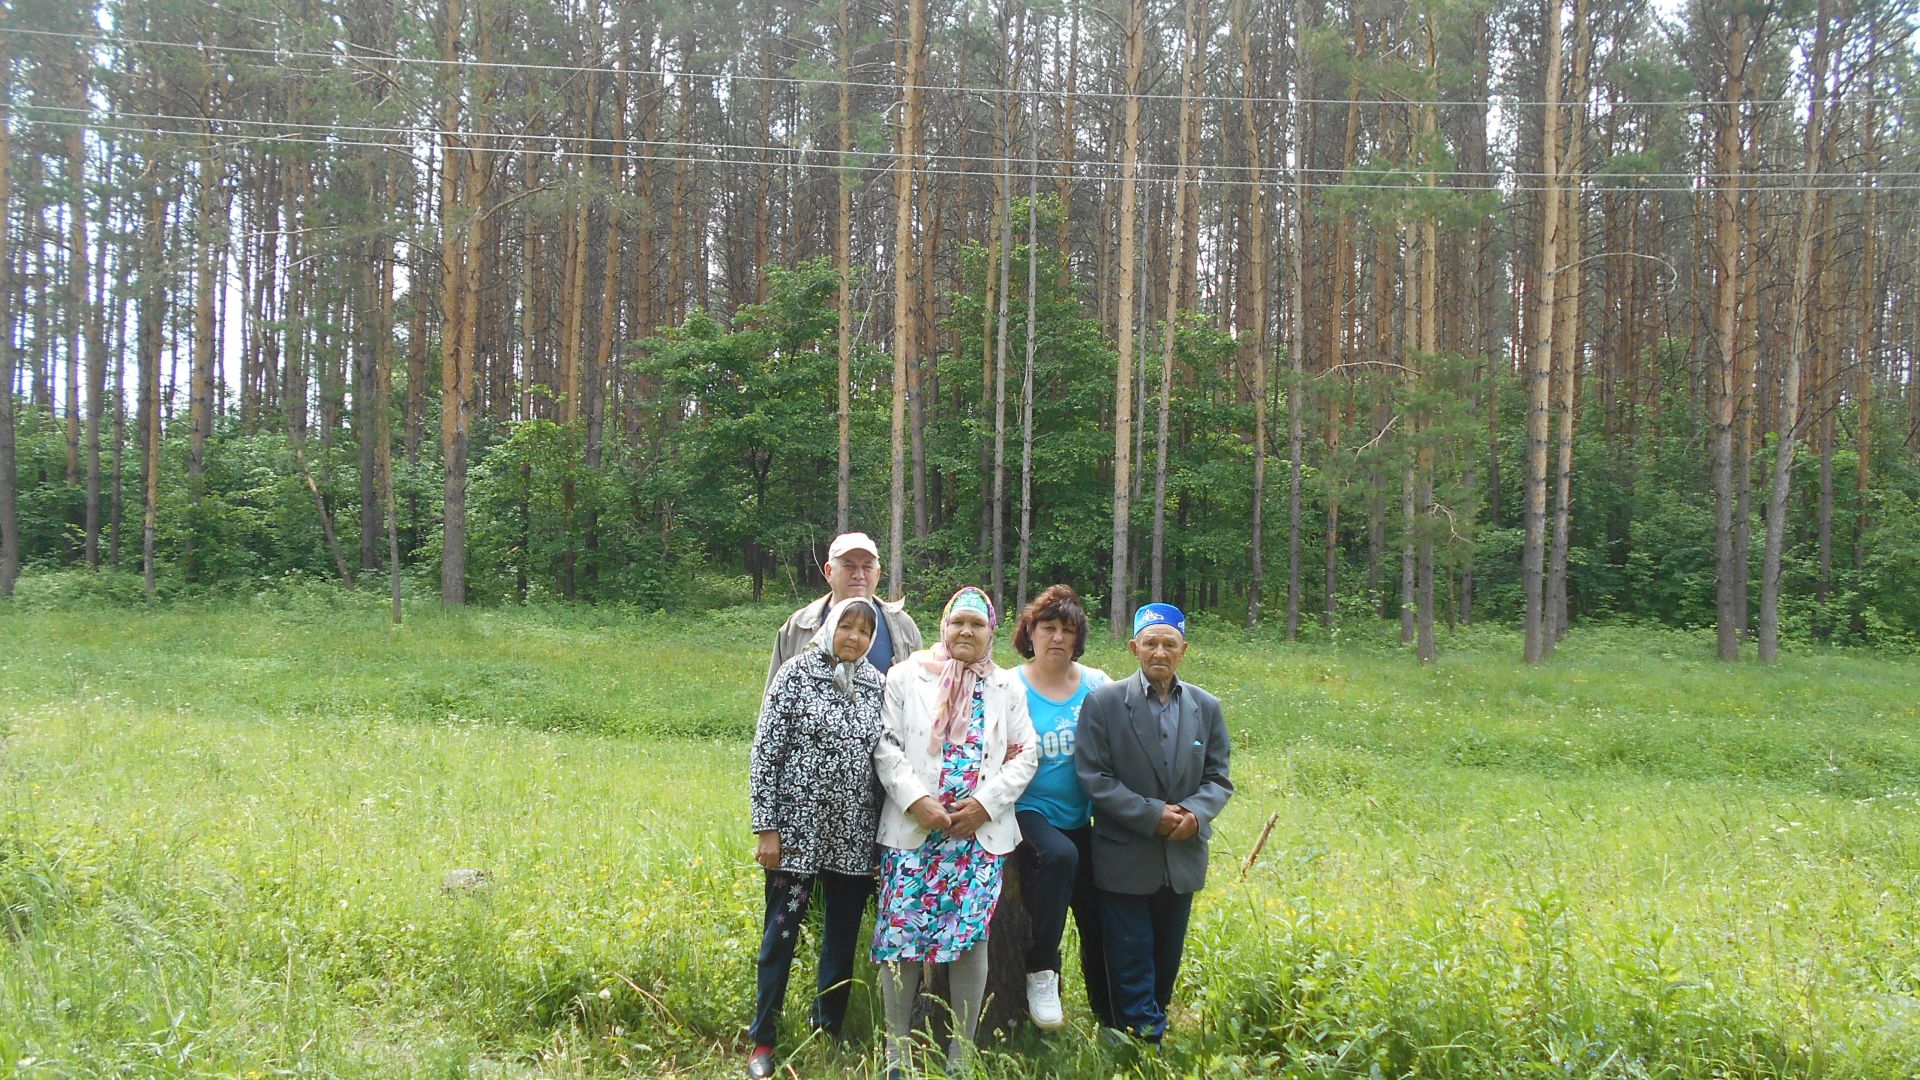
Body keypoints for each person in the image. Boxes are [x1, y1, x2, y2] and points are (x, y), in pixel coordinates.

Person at [871, 587, 1038, 1077]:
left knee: (970, 942)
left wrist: (985, 806)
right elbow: (885, 742)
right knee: (900, 940)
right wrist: (916, 800)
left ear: (990, 633)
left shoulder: (1007, 687)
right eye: (957, 622)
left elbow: (1025, 753)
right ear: (943, 626)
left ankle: (960, 1056)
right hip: (914, 831)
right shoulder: (905, 676)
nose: (966, 632)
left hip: (976, 837)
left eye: (977, 624)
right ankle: (896, 1054)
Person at [1074, 603, 1232, 1044]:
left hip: (1181, 855)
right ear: (1134, 648)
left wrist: (1196, 814)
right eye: (1150, 643)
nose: (1159, 652)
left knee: (1166, 954)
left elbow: (1218, 776)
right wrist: (1153, 815)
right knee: (1129, 951)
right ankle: (1143, 1037)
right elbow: (1095, 778)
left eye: (1169, 644)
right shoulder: (1104, 703)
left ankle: (1142, 1026)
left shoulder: (1206, 706)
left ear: (1183, 650)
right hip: (1125, 854)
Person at [746, 598, 888, 1079]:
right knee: (781, 936)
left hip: (853, 835)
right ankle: (763, 1038)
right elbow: (765, 753)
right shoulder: (794, 675)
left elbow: (885, 760)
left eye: (864, 632)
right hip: (797, 836)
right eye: (845, 626)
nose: (854, 637)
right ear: (829, 628)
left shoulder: (876, 685)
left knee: (842, 938)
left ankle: (826, 1027)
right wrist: (767, 829)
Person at [1009, 585, 1114, 1031]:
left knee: (1098, 907)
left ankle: (1111, 1016)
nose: (1056, 638)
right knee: (1061, 856)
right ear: (1029, 633)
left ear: (1077, 638)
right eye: (1047, 627)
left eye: (1066, 630)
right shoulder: (1009, 686)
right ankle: (1042, 970)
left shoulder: (1098, 685)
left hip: (1084, 815)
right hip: (1030, 810)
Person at [767, 532, 922, 692]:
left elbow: (916, 698)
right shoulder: (798, 627)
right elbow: (774, 700)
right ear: (828, 572)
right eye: (849, 566)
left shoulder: (903, 628)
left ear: (877, 574)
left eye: (867, 567)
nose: (859, 575)